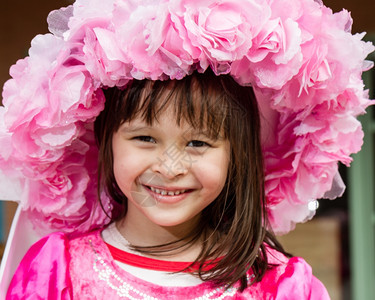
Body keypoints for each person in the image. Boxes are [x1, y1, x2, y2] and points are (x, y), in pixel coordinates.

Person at [0, 0, 373, 299]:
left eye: (198, 143)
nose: (169, 166)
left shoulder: (284, 287)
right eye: (144, 138)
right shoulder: (57, 268)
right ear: (106, 140)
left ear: (236, 154)